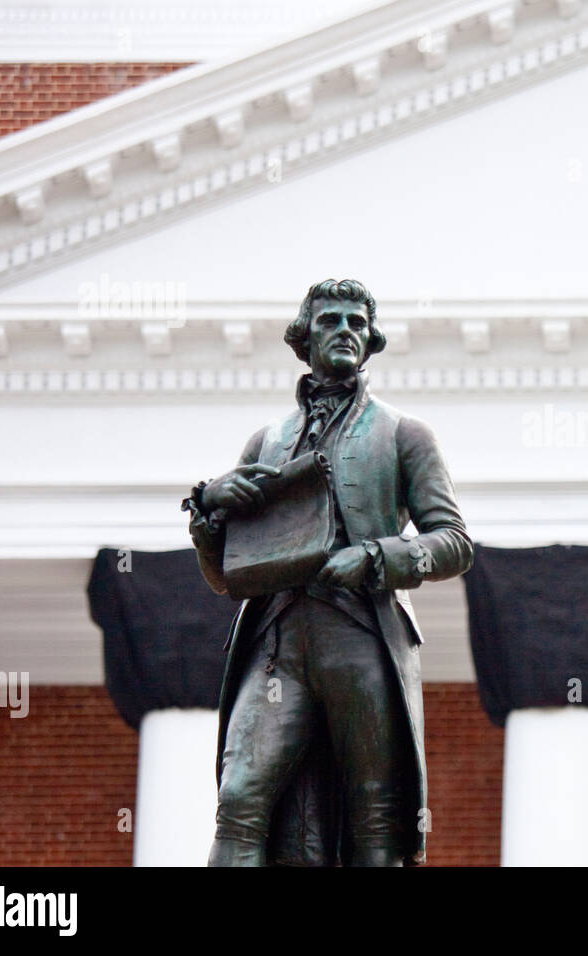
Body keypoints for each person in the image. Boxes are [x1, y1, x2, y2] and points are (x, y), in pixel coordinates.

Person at [182, 278, 472, 866]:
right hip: (277, 640)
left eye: (357, 323)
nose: (345, 330)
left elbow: (454, 543)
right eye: (330, 320)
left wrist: (374, 558)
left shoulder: (403, 433)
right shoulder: (267, 441)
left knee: (377, 815)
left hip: (361, 634)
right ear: (303, 336)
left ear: (370, 341)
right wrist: (209, 514)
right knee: (240, 798)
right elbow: (227, 576)